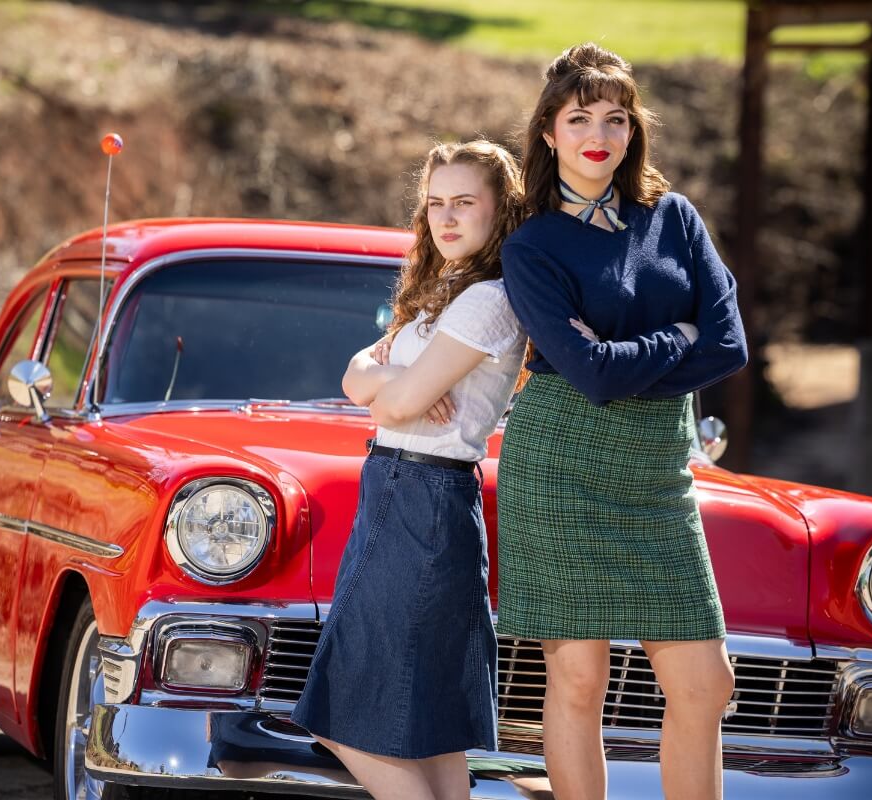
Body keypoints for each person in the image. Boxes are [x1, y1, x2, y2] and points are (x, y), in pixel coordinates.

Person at [495, 44, 748, 800]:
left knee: (707, 683)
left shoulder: (674, 218)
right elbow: (591, 376)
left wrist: (631, 355)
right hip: (560, 463)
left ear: (635, 129)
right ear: (548, 132)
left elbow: (729, 345)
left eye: (616, 117)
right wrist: (678, 337)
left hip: (659, 473)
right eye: (579, 119)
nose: (598, 133)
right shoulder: (531, 244)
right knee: (579, 679)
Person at [291, 140, 527, 800]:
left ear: (499, 209)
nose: (446, 219)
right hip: (411, 494)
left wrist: (392, 383)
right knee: (432, 731)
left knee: (341, 721)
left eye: (464, 203)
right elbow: (355, 377)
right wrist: (397, 376)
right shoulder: (434, 297)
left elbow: (387, 401)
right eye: (435, 205)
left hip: (420, 495)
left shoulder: (488, 301)